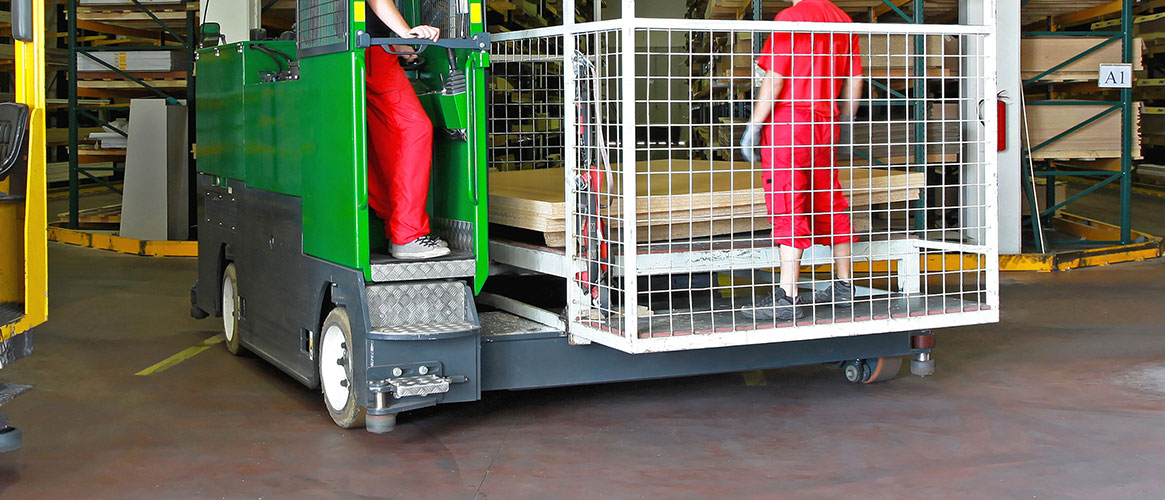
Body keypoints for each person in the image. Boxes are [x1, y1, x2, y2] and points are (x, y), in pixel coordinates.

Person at [739, 0, 864, 321]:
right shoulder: (843, 19)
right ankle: (844, 286)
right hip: (826, 125)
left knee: (788, 202)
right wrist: (846, 123)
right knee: (830, 200)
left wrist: (754, 124)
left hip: (789, 127)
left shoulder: (790, 18)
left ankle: (787, 295)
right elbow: (854, 81)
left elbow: (775, 78)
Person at [366, 0, 451, 259]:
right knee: (415, 129)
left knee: (376, 142)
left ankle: (398, 229)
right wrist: (406, 33)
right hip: (369, 53)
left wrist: (395, 43)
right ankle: (408, 234)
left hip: (362, 48)